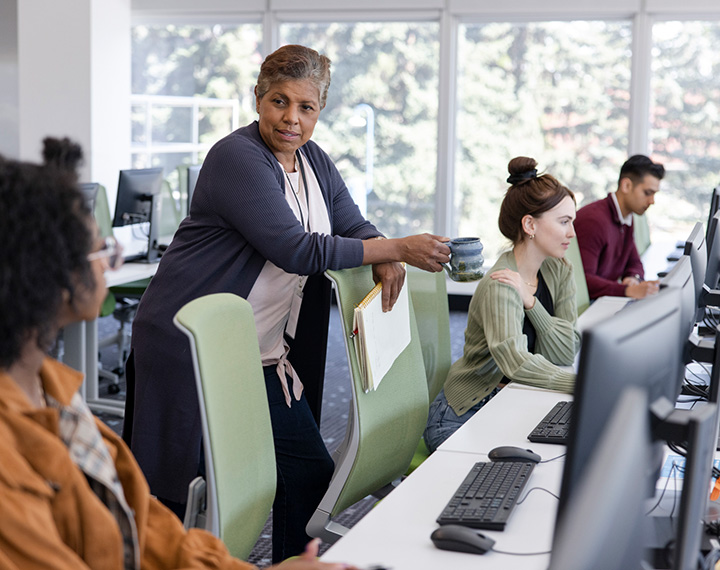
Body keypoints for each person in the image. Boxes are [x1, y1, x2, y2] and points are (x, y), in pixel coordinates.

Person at [123, 44, 450, 562]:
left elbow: (350, 221)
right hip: (192, 345)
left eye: (306, 107)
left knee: (307, 476)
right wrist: (398, 248)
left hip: (264, 353)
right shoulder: (236, 157)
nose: (291, 119)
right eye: (279, 101)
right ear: (258, 98)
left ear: (320, 111)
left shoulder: (313, 161)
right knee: (185, 492)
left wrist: (383, 249)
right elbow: (295, 249)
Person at [0, 144, 353, 570]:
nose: (110, 266)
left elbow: (143, 528)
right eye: (100, 253)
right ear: (45, 281)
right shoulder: (11, 451)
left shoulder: (55, 393)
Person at [424, 157, 581, 453]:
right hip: (463, 416)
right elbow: (516, 362)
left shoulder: (560, 271)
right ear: (530, 224)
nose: (572, 233)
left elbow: (564, 351)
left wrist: (532, 303)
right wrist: (584, 385)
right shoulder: (501, 282)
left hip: (513, 403)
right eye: (564, 222)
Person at [573, 154, 665, 300]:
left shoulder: (626, 217)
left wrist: (632, 278)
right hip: (588, 308)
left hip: (603, 300)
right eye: (648, 193)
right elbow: (583, 281)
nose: (652, 201)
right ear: (626, 185)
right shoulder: (593, 221)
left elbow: (634, 262)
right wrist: (626, 290)